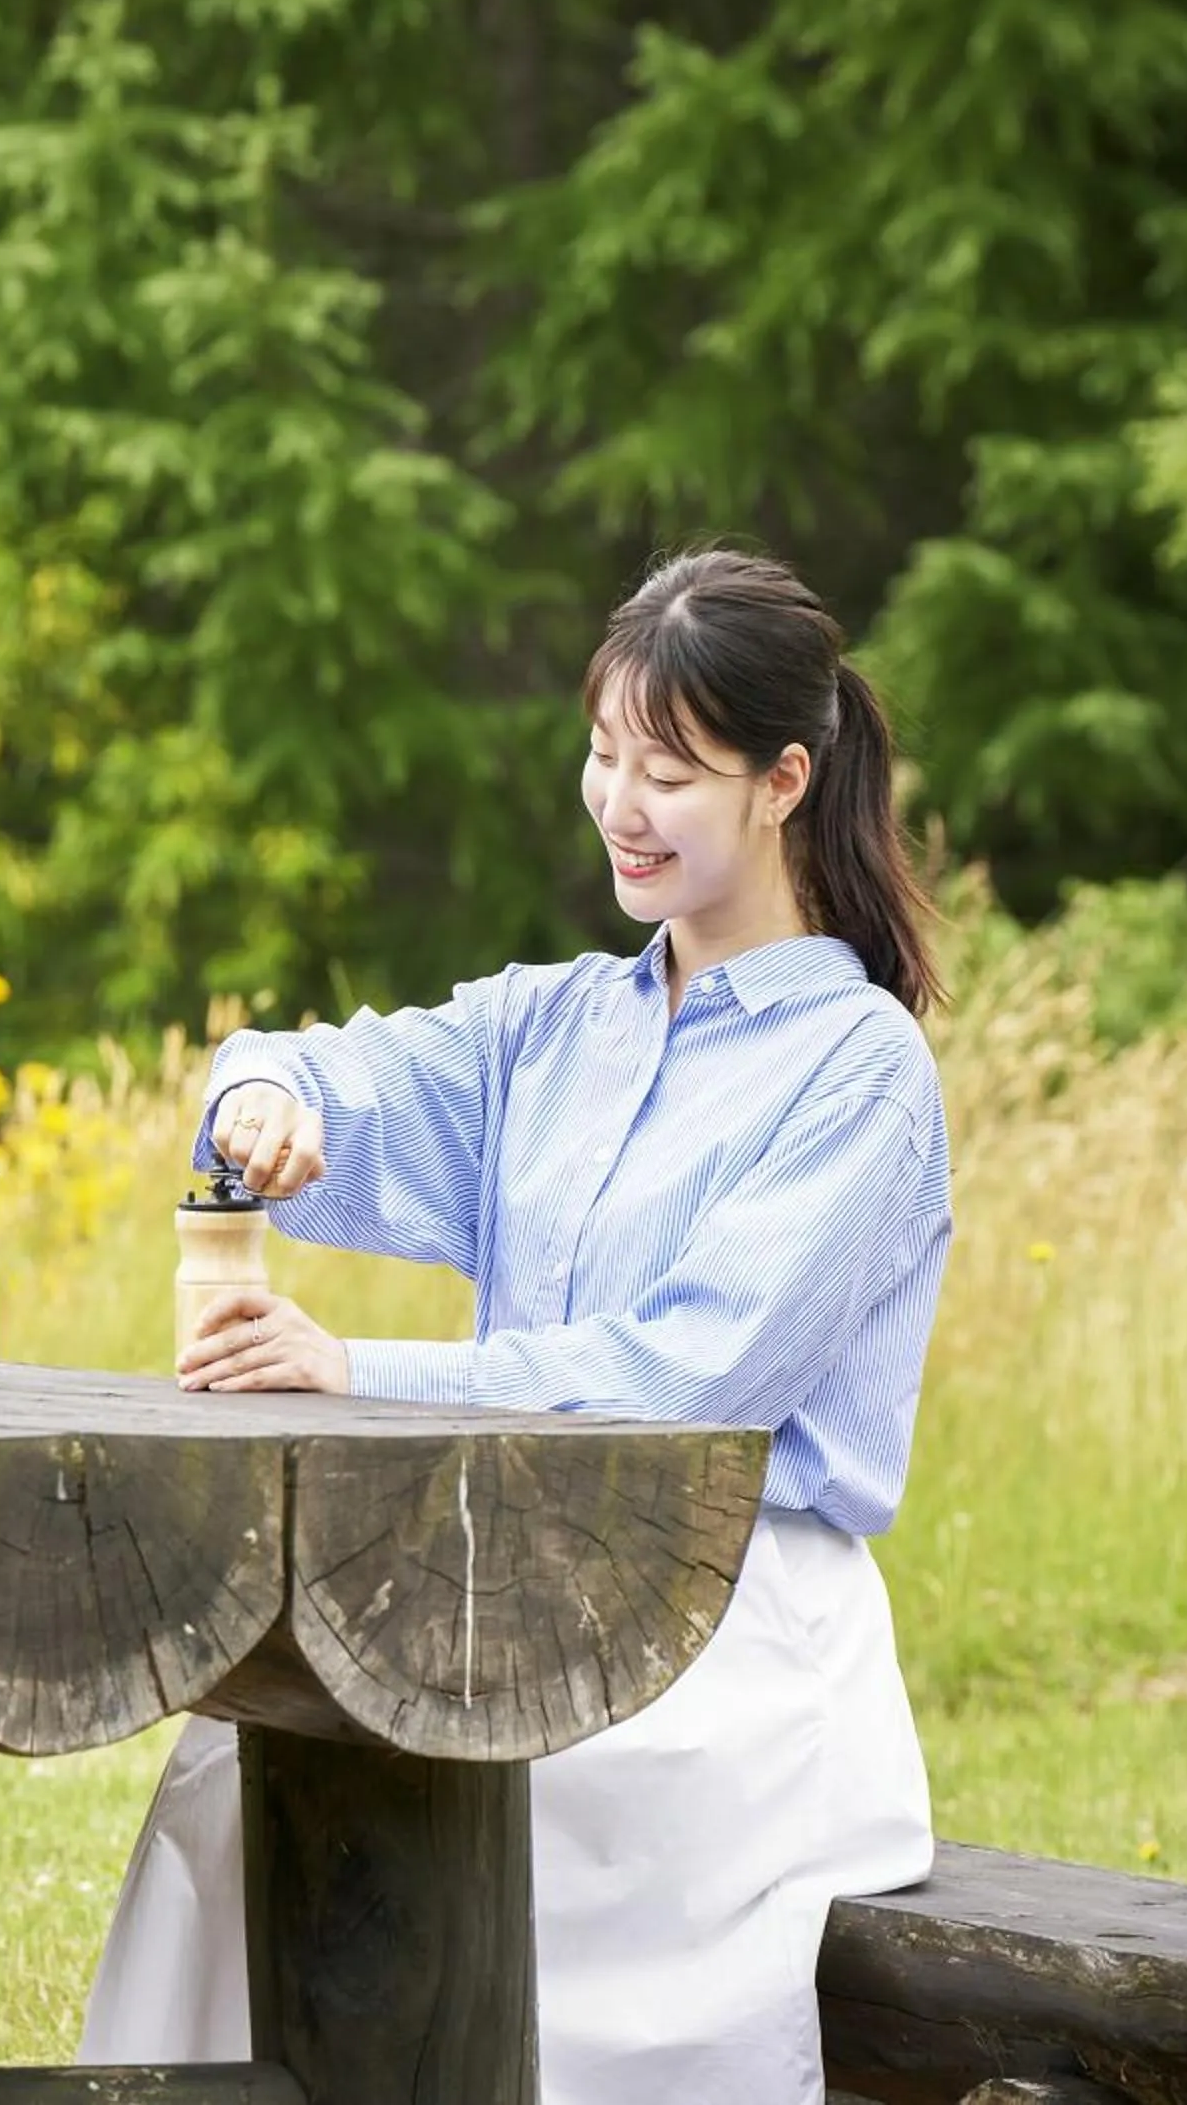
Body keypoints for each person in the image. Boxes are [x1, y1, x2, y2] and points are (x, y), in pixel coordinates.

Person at [79, 549, 954, 2105]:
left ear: (786, 782)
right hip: (502, 1577)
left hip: (722, 1638)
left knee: (431, 1815)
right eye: (604, 752)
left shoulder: (860, 1073)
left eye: (669, 770)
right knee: (236, 1772)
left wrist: (361, 1371)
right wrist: (268, 1103)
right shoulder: (555, 1027)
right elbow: (311, 1070)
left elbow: (691, 1379)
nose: (620, 800)